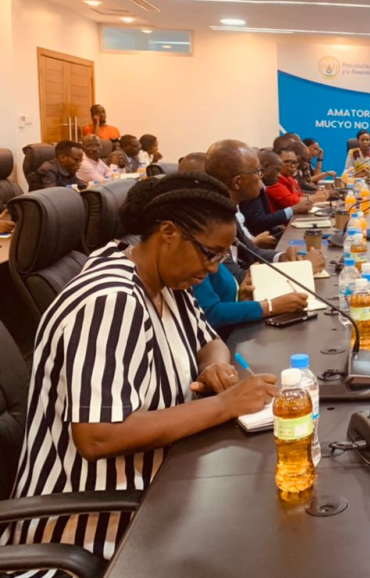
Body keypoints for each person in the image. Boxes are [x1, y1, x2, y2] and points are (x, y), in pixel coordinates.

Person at [2, 173, 278, 564]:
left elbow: (209, 341)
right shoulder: (110, 300)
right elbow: (99, 436)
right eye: (209, 254)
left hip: (159, 490)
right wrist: (225, 405)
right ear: (168, 232)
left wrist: (215, 369)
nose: (215, 269)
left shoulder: (163, 278)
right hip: (96, 530)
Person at [205, 140, 325, 278]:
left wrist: (282, 257)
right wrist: (303, 270)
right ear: (237, 182)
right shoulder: (214, 220)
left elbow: (253, 251)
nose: (260, 177)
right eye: (258, 171)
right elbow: (237, 278)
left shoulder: (230, 211)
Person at [240, 149, 314, 236]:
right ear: (265, 167)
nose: (279, 175)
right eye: (277, 170)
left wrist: (276, 227)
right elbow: (258, 223)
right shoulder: (251, 190)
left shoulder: (263, 186)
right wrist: (293, 209)